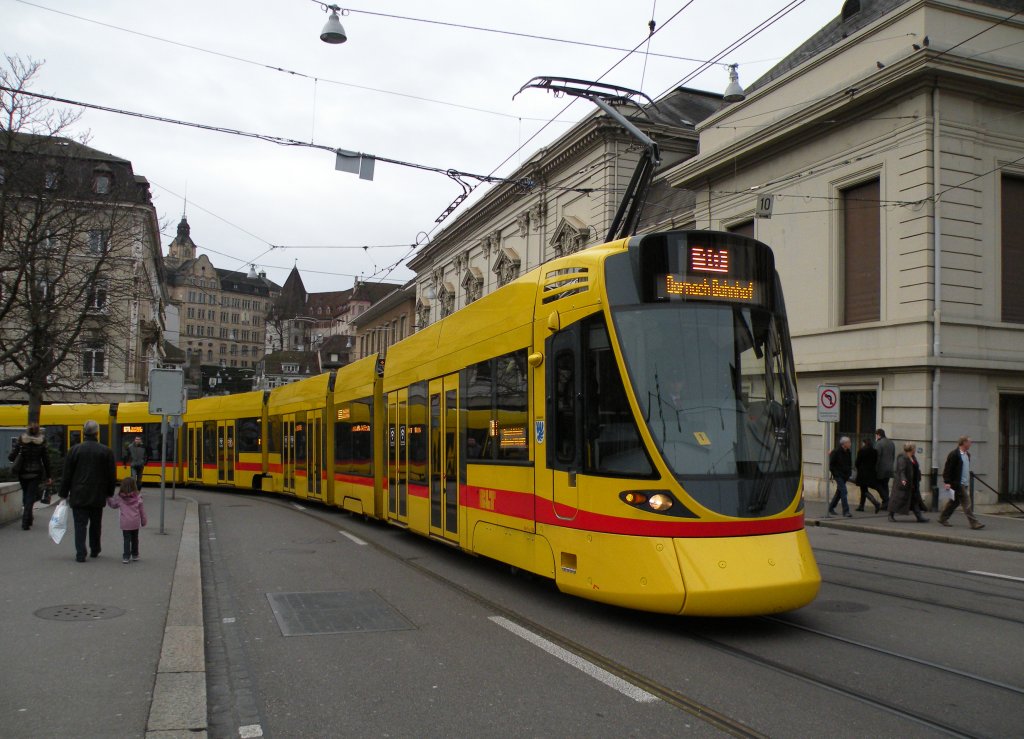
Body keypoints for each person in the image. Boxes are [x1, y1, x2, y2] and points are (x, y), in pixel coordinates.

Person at [59, 419, 117, 562]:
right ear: (97, 433)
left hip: (78, 494)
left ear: (84, 432)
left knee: (80, 525)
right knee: (96, 524)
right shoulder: (106, 451)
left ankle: (80, 553)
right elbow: (111, 475)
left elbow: (67, 474)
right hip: (98, 494)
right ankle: (95, 549)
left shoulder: (74, 450)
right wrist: (109, 493)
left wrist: (63, 493)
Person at [8, 423, 53, 530]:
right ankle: (26, 519)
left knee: (25, 494)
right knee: (30, 496)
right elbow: (46, 460)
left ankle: (27, 517)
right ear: (38, 432)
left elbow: (11, 457)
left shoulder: (21, 440)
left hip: (22, 473)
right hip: (36, 473)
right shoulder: (41, 442)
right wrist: (49, 476)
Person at [939, 435, 985, 530]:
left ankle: (943, 518)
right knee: (967, 503)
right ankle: (974, 523)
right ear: (964, 443)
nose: (971, 444)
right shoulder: (954, 454)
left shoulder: (967, 455)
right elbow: (948, 469)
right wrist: (947, 482)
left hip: (965, 482)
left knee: (954, 502)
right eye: (969, 442)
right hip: (958, 483)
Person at [108, 477, 147, 563]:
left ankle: (126, 556)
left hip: (125, 523)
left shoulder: (120, 498)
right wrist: (143, 521)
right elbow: (142, 511)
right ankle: (135, 555)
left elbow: (113, 505)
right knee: (135, 539)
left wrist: (108, 498)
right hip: (135, 522)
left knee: (126, 539)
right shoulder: (138, 498)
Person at [889, 442, 928, 523]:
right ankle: (891, 515)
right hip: (904, 483)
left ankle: (919, 517)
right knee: (898, 500)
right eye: (914, 448)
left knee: (915, 500)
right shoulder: (902, 457)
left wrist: (918, 476)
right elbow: (901, 470)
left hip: (913, 483)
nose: (915, 449)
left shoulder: (913, 457)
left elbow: (915, 468)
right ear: (911, 449)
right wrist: (903, 479)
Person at [828, 436, 853, 517]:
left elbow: (849, 464)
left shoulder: (848, 452)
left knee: (839, 492)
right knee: (844, 491)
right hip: (838, 475)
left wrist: (849, 473)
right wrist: (836, 474)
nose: (850, 444)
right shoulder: (836, 452)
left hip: (845, 475)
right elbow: (831, 465)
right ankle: (846, 511)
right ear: (844, 444)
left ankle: (831, 507)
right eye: (849, 442)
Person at [854, 439, 881, 513]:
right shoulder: (875, 451)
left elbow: (857, 462)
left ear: (864, 443)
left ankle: (875, 503)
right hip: (871, 473)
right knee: (863, 489)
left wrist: (858, 468)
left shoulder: (861, 451)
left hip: (862, 473)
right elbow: (875, 462)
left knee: (864, 490)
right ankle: (861, 506)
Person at [871, 428, 895, 509]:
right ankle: (885, 504)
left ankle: (886, 501)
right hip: (889, 468)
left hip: (881, 469)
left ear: (878, 435)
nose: (876, 437)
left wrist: (874, 468)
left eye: (876, 435)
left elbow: (876, 457)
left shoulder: (879, 443)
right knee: (885, 485)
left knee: (878, 485)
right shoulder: (891, 443)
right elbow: (893, 456)